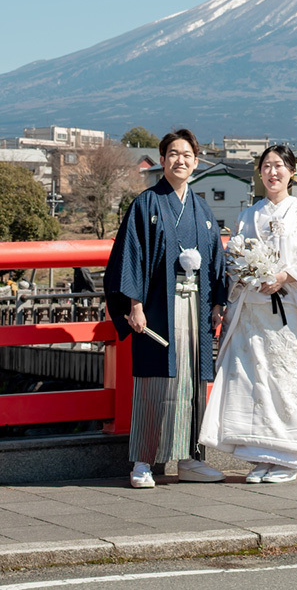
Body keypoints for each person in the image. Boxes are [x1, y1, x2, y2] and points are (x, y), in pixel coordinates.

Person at [199, 144, 297, 483]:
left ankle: (288, 457)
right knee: (252, 382)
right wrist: (247, 273)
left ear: (292, 172)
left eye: (279, 166)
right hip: (253, 312)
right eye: (266, 167)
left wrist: (283, 277)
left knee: (284, 380)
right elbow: (234, 258)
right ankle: (261, 456)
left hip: (289, 314)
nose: (272, 172)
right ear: (259, 173)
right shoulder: (249, 215)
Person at [104, 129, 226, 488]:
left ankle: (190, 458)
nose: (180, 160)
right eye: (173, 154)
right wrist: (135, 305)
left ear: (197, 161)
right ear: (162, 160)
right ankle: (143, 461)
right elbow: (132, 257)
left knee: (191, 382)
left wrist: (218, 302)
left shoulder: (202, 208)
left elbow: (217, 260)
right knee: (156, 381)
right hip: (159, 306)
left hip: (196, 305)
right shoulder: (146, 203)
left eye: (187, 155)